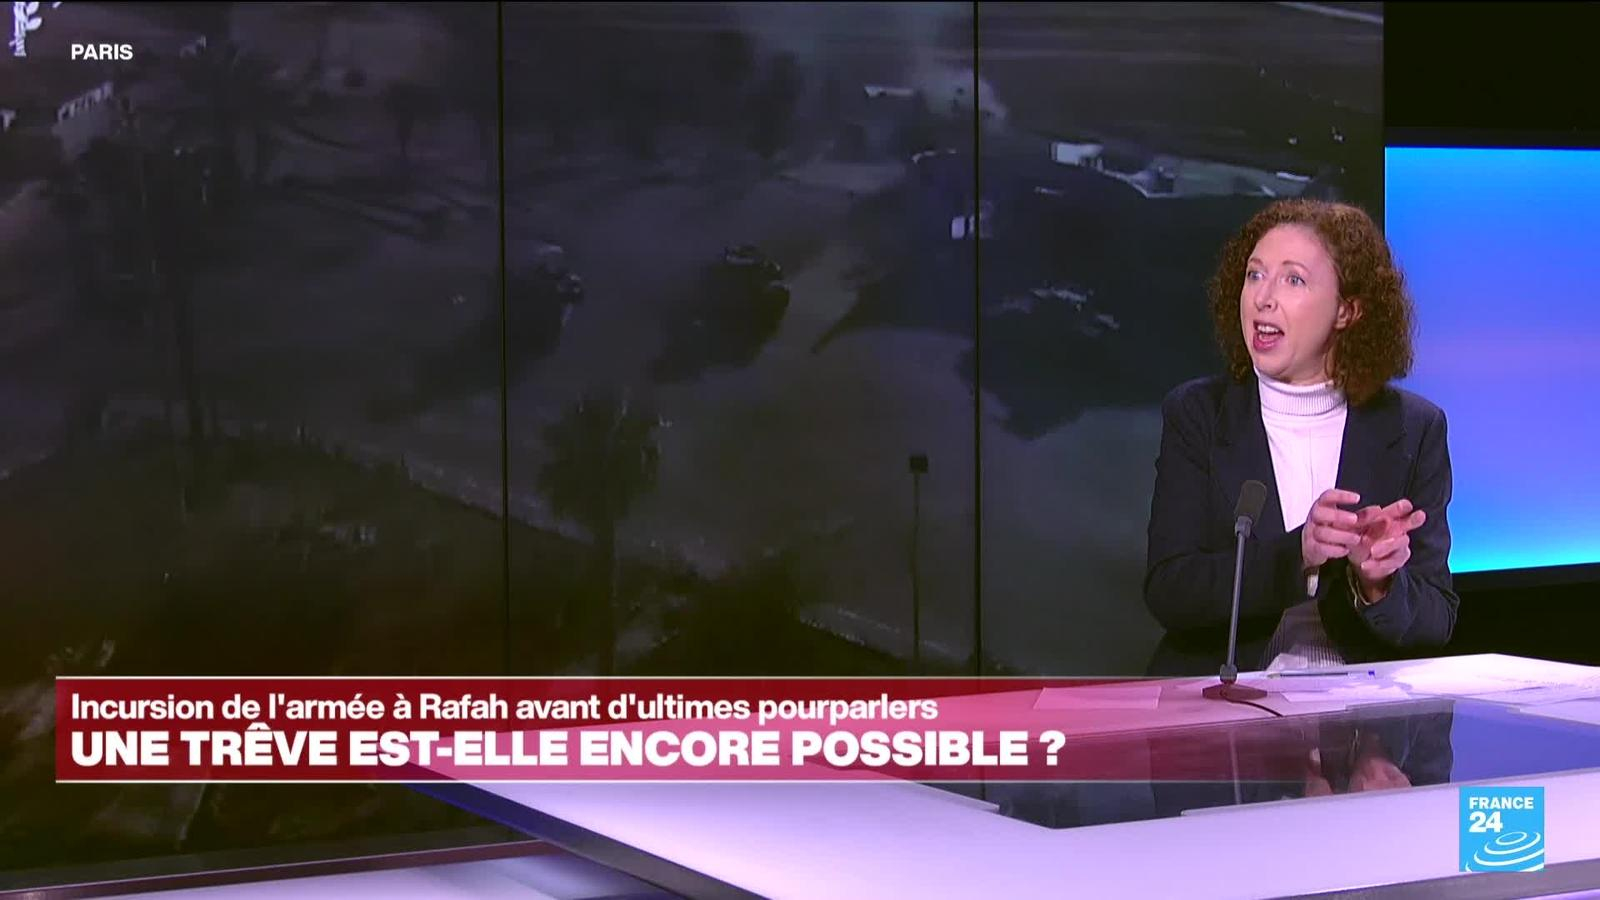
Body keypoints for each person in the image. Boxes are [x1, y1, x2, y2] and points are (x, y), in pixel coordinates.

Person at [1143, 199, 1457, 676]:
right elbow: (1171, 591)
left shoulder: (1414, 427)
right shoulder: (1198, 413)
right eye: (1255, 275)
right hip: (1231, 698)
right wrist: (1300, 558)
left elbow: (1436, 620)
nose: (1263, 298)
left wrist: (1379, 585)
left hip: (1363, 704)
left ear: (1347, 310)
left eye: (1293, 280)